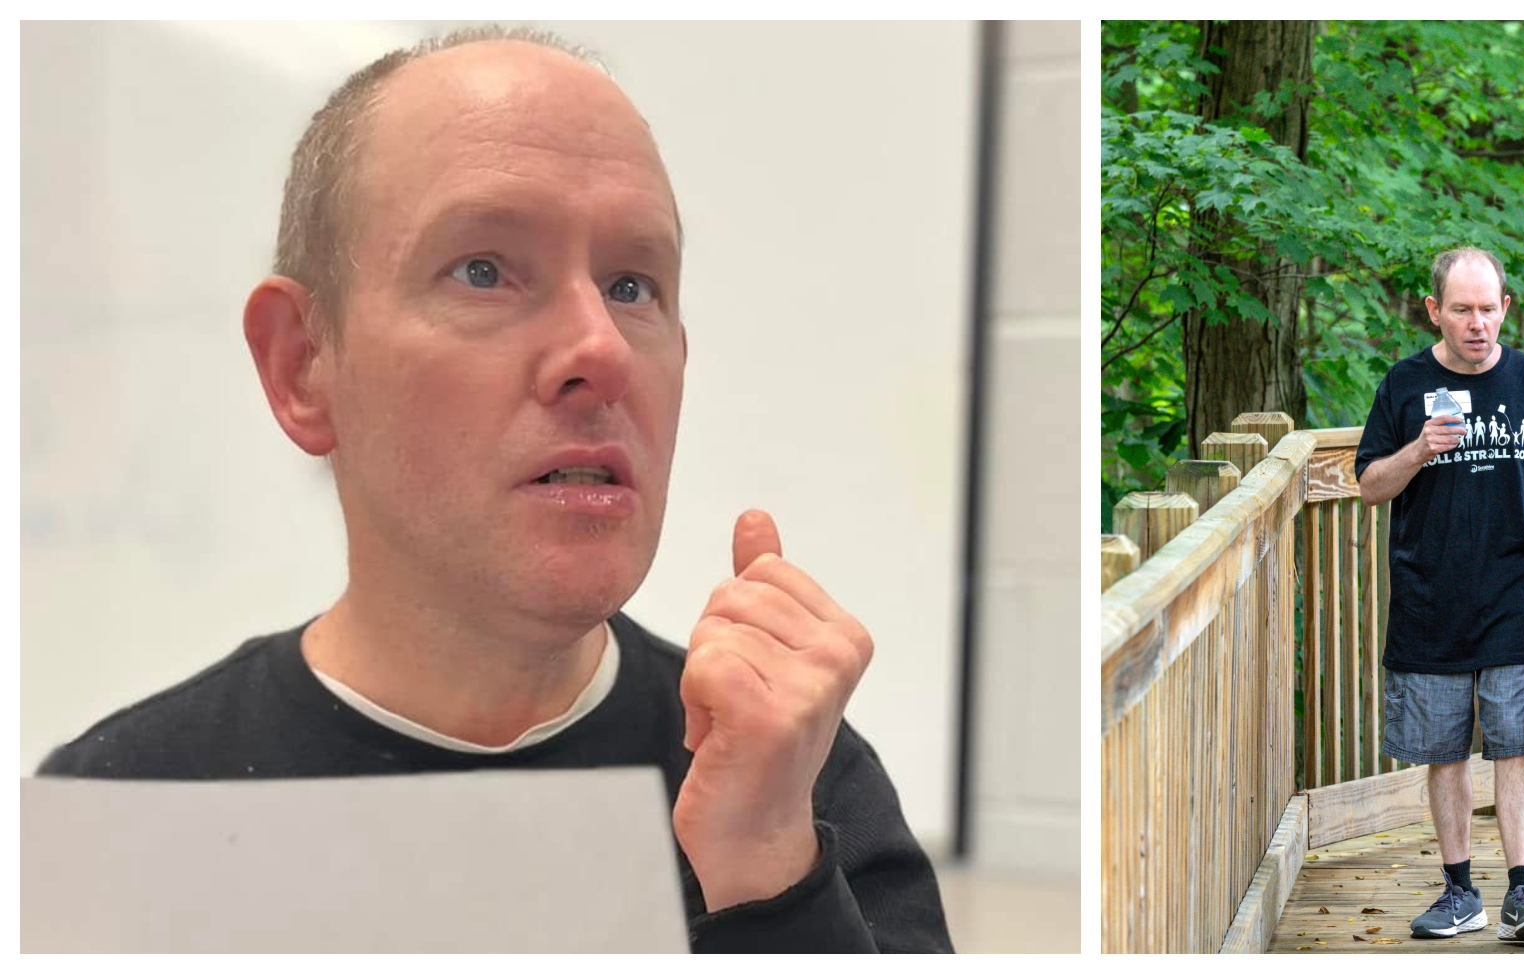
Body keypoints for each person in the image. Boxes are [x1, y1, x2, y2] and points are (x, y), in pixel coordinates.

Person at [32, 28, 950, 952]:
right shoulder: (124, 811)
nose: (600, 350)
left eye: (634, 284)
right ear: (303, 365)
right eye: (483, 271)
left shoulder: (797, 788)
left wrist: (768, 885)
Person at [1351, 247, 1524, 943]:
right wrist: (1417, 450)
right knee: (1444, 752)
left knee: (1514, 744)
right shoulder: (1405, 384)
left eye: (1488, 308)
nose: (1477, 324)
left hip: (1512, 590)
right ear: (1434, 311)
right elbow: (1368, 485)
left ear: (1506, 307)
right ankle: (1459, 892)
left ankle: (1521, 892)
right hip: (1430, 598)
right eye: (1462, 310)